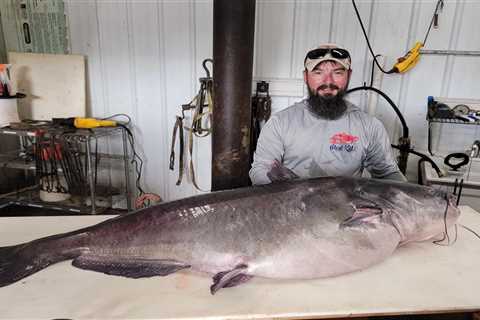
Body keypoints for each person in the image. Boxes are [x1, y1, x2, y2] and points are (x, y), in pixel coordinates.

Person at [249, 43, 406, 185]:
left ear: (349, 76)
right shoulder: (280, 123)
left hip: (346, 213)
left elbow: (389, 174)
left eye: (337, 72)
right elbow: (260, 170)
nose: (328, 81)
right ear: (306, 77)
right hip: (293, 210)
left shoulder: (370, 126)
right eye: (318, 72)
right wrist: (295, 191)